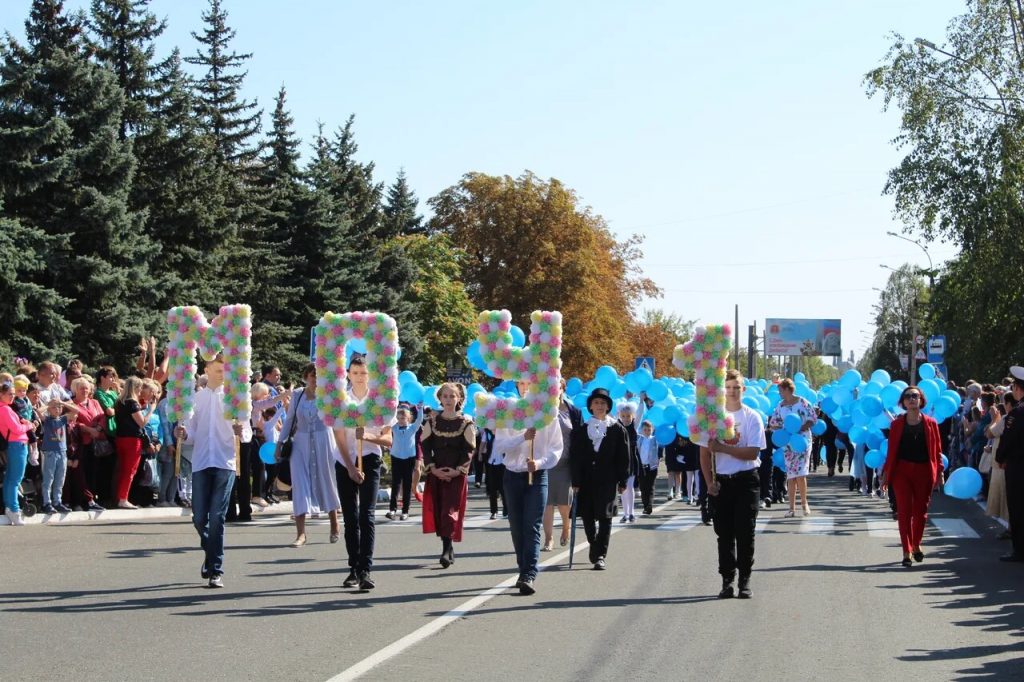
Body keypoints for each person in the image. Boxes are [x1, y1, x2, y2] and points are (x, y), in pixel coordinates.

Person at [175, 355, 242, 588]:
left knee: (217, 517)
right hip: (202, 461)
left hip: (225, 462)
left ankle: (215, 568)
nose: (222, 372)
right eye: (218, 368)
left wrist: (240, 429)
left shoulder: (235, 398)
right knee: (199, 517)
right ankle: (210, 550)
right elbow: (191, 432)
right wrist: (183, 434)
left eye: (225, 368)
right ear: (207, 369)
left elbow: (247, 434)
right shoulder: (195, 398)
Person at [699, 370, 766, 599]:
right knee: (724, 534)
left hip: (746, 481)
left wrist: (724, 448)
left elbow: (752, 452)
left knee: (745, 533)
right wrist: (709, 483)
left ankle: (744, 580)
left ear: (743, 390)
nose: (732, 391)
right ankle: (727, 580)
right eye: (728, 387)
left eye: (736, 387)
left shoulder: (752, 417)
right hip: (722, 483)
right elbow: (705, 454)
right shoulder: (713, 418)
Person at [493, 380, 564, 595]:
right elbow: (500, 446)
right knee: (517, 527)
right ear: (518, 387)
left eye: (531, 384)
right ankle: (522, 568)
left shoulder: (548, 415)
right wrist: (521, 437)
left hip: (537, 475)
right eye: (522, 384)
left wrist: (540, 463)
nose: (526, 388)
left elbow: (556, 448)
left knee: (532, 524)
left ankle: (529, 574)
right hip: (512, 476)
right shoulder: (507, 414)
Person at [333, 356, 392, 590]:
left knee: (366, 515)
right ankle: (353, 568)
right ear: (348, 374)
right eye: (355, 372)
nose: (359, 377)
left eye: (363, 373)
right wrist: (349, 467)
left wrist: (368, 436)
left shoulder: (379, 401)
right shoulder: (340, 399)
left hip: (370, 458)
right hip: (345, 460)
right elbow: (338, 437)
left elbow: (388, 439)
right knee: (350, 517)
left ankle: (366, 569)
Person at [880, 386, 944, 567]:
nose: (911, 399)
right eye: (907, 397)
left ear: (921, 400)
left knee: (920, 512)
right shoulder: (896, 424)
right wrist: (886, 474)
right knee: (904, 512)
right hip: (902, 471)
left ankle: (917, 544)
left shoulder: (931, 423)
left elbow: (937, 451)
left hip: (924, 471)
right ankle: (906, 551)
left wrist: (940, 471)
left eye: (914, 396)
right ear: (903, 403)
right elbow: (892, 452)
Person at [278, 364, 341, 549]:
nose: (315, 379)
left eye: (319, 375)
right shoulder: (298, 394)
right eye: (312, 375)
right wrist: (280, 443)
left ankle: (334, 524)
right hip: (300, 443)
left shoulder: (328, 394)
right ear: (306, 376)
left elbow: (337, 417)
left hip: (324, 440)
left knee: (326, 480)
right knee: (300, 485)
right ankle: (301, 534)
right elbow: (289, 420)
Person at [569, 388, 629, 570]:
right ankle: (593, 543)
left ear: (608, 406)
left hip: (608, 480)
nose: (600, 406)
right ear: (590, 406)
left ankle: (600, 554)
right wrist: (575, 481)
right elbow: (575, 457)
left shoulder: (617, 429)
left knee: (605, 517)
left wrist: (623, 480)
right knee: (587, 516)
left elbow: (624, 457)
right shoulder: (581, 431)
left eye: (603, 403)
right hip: (586, 480)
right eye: (596, 403)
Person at [421, 383, 477, 568]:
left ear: (459, 399)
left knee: (449, 510)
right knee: (439, 510)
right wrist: (433, 468)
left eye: (452, 396)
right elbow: (426, 447)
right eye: (445, 396)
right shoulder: (432, 422)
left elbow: (468, 450)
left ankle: (446, 549)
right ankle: (448, 545)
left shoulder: (466, 423)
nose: (448, 400)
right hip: (437, 472)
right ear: (440, 398)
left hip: (456, 474)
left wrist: (458, 470)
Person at [768, 378, 816, 517]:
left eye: (780, 390)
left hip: (802, 441)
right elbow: (773, 423)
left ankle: (804, 504)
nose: (779, 393)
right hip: (788, 442)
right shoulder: (780, 406)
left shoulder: (802, 402)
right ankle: (791, 508)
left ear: (787, 389)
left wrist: (800, 427)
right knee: (790, 475)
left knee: (800, 474)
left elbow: (813, 418)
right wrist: (783, 428)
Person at [544, 385, 581, 550]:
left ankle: (566, 526)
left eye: (557, 388)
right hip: (546, 462)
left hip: (566, 463)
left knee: (564, 502)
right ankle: (548, 539)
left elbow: (580, 437)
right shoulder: (543, 409)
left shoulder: (573, 411)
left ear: (563, 389)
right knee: (547, 503)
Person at [113, 377, 157, 509]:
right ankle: (123, 498)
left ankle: (118, 496)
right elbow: (142, 422)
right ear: (135, 388)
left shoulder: (120, 401)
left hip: (120, 438)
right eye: (139, 388)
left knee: (121, 469)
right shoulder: (132, 403)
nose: (140, 391)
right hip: (132, 440)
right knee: (130, 470)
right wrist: (151, 409)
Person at [994, 366, 1024, 562]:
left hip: (1018, 467)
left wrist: (999, 458)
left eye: (1014, 386)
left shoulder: (1017, 414)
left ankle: (1019, 550)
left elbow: (1008, 441)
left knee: (1018, 508)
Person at [1, 380, 35, 525]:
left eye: (13, 394)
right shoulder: (5, 409)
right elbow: (16, 429)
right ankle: (14, 509)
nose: (12, 397)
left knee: (10, 479)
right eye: (9, 394)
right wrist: (28, 425)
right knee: (15, 480)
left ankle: (11, 508)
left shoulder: (6, 408)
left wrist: (25, 424)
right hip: (17, 445)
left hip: (16, 445)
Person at [40, 398, 80, 514]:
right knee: (48, 478)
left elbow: (76, 411)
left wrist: (62, 403)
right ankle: (46, 503)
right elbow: (38, 411)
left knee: (60, 478)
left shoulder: (63, 419)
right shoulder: (47, 420)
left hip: (62, 452)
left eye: (59, 407)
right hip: (50, 452)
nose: (57, 409)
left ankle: (57, 502)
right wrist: (49, 405)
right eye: (54, 407)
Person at [386, 403, 423, 521]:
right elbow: (388, 420)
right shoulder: (394, 427)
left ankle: (405, 511)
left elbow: (420, 419)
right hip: (396, 457)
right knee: (395, 484)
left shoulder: (412, 428)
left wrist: (420, 408)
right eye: (399, 418)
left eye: (403, 418)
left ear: (408, 418)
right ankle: (392, 509)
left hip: (409, 458)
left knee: (407, 485)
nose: (400, 420)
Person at [986, 392, 1017, 528]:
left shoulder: (1006, 418)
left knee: (1007, 498)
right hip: (1010, 462)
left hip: (1003, 464)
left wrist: (994, 418)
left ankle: (1011, 528)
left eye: (1005, 403)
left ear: (1009, 404)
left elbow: (989, 433)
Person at [636, 420, 661, 515]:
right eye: (645, 430)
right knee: (643, 487)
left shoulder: (655, 439)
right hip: (641, 467)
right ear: (642, 430)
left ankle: (649, 506)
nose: (647, 431)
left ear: (652, 430)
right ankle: (645, 505)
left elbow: (661, 445)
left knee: (650, 487)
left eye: (649, 430)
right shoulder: (639, 439)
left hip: (652, 467)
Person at [482, 427, 506, 519]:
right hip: (491, 462)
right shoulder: (487, 432)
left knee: (503, 488)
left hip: (503, 463)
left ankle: (506, 508)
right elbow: (483, 443)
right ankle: (494, 511)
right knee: (492, 489)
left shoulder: (504, 432)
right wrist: (480, 453)